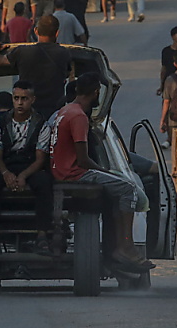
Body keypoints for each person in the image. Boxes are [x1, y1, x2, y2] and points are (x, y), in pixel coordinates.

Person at [49, 72, 152, 270]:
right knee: (128, 188)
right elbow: (83, 159)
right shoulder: (79, 116)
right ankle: (125, 246)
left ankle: (123, 244)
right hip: (75, 173)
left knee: (119, 188)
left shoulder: (65, 111)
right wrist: (107, 172)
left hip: (61, 171)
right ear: (96, 92)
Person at [0, 80, 54, 255]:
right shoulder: (0, 122)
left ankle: (42, 236)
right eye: (16, 98)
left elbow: (40, 159)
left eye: (24, 99)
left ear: (33, 100)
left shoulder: (41, 124)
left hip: (30, 165)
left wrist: (23, 176)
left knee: (44, 182)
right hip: (7, 163)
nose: (20, 103)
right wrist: (6, 173)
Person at [0, 15, 72, 122]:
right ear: (57, 33)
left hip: (28, 115)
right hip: (54, 114)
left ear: (36, 31)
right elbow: (67, 74)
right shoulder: (64, 53)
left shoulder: (23, 52)